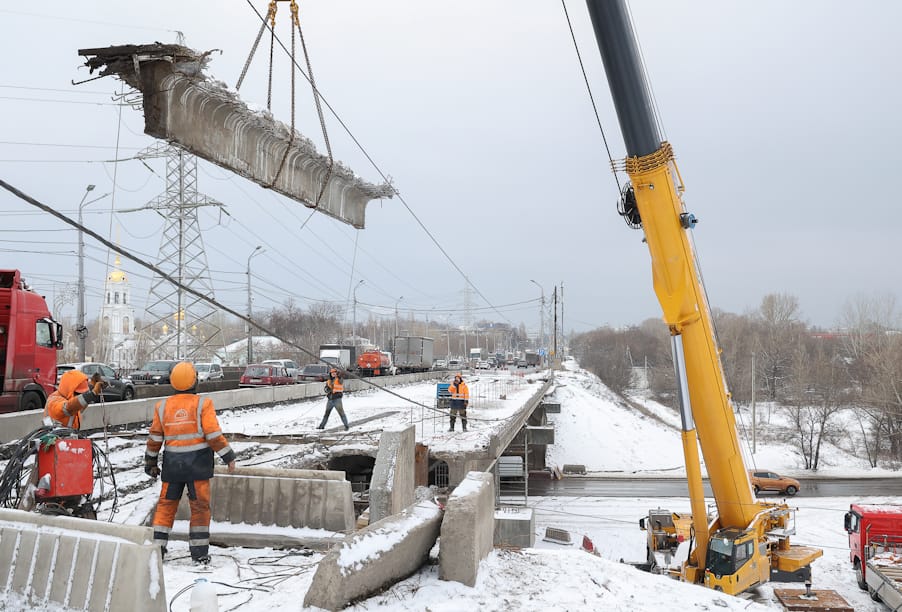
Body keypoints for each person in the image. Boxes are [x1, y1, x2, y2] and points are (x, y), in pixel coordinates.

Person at [144, 361, 236, 565]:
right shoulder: (203, 404)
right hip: (198, 467)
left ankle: (157, 550)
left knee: (166, 506)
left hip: (172, 467)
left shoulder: (162, 407)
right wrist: (228, 456)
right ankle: (199, 553)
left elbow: (155, 438)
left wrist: (150, 461)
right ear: (195, 380)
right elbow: (213, 435)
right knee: (200, 507)